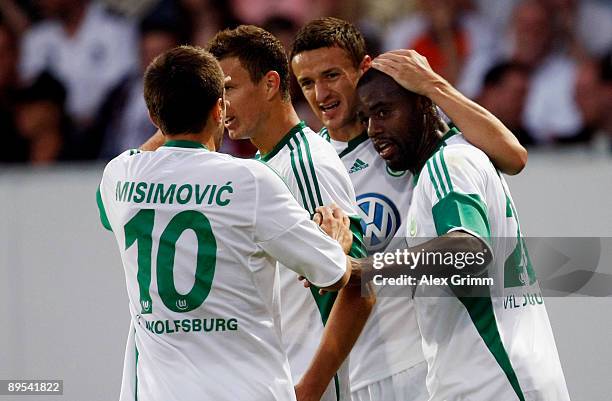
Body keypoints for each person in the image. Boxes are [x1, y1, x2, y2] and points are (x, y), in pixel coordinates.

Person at [290, 17, 528, 401]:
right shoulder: (309, 163)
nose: (321, 93)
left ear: (363, 69)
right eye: (307, 83)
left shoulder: (404, 136)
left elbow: (512, 157)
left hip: (428, 360)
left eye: (332, 75)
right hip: (361, 367)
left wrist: (433, 85)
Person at [96, 45, 352, 401]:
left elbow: (111, 200)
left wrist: (169, 116)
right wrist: (337, 241)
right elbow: (335, 273)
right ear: (220, 109)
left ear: (154, 117)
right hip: (247, 390)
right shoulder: (251, 181)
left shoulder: (120, 176)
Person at [354, 66, 571, 401]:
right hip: (503, 377)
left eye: (383, 112)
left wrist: (366, 268)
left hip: (494, 381)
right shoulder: (465, 156)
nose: (373, 129)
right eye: (366, 117)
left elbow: (469, 248)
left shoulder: (447, 165)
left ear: (424, 106)